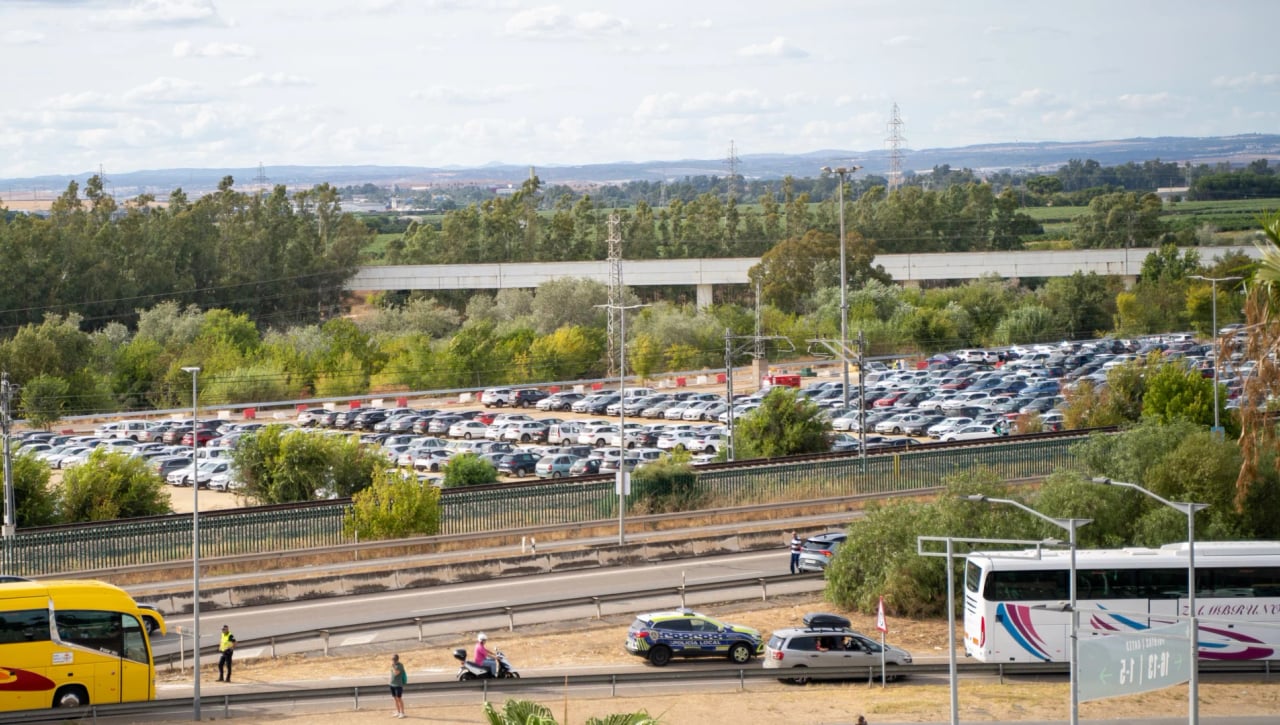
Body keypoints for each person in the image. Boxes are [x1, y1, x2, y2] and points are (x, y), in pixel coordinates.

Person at [388, 653, 407, 719]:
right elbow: (391, 674)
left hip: (398, 685)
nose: (392, 661)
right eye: (392, 659)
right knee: (395, 699)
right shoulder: (393, 665)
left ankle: (402, 713)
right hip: (392, 684)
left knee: (399, 698)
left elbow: (396, 673)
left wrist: (393, 666)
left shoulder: (400, 665)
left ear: (396, 659)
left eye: (393, 659)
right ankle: (398, 712)